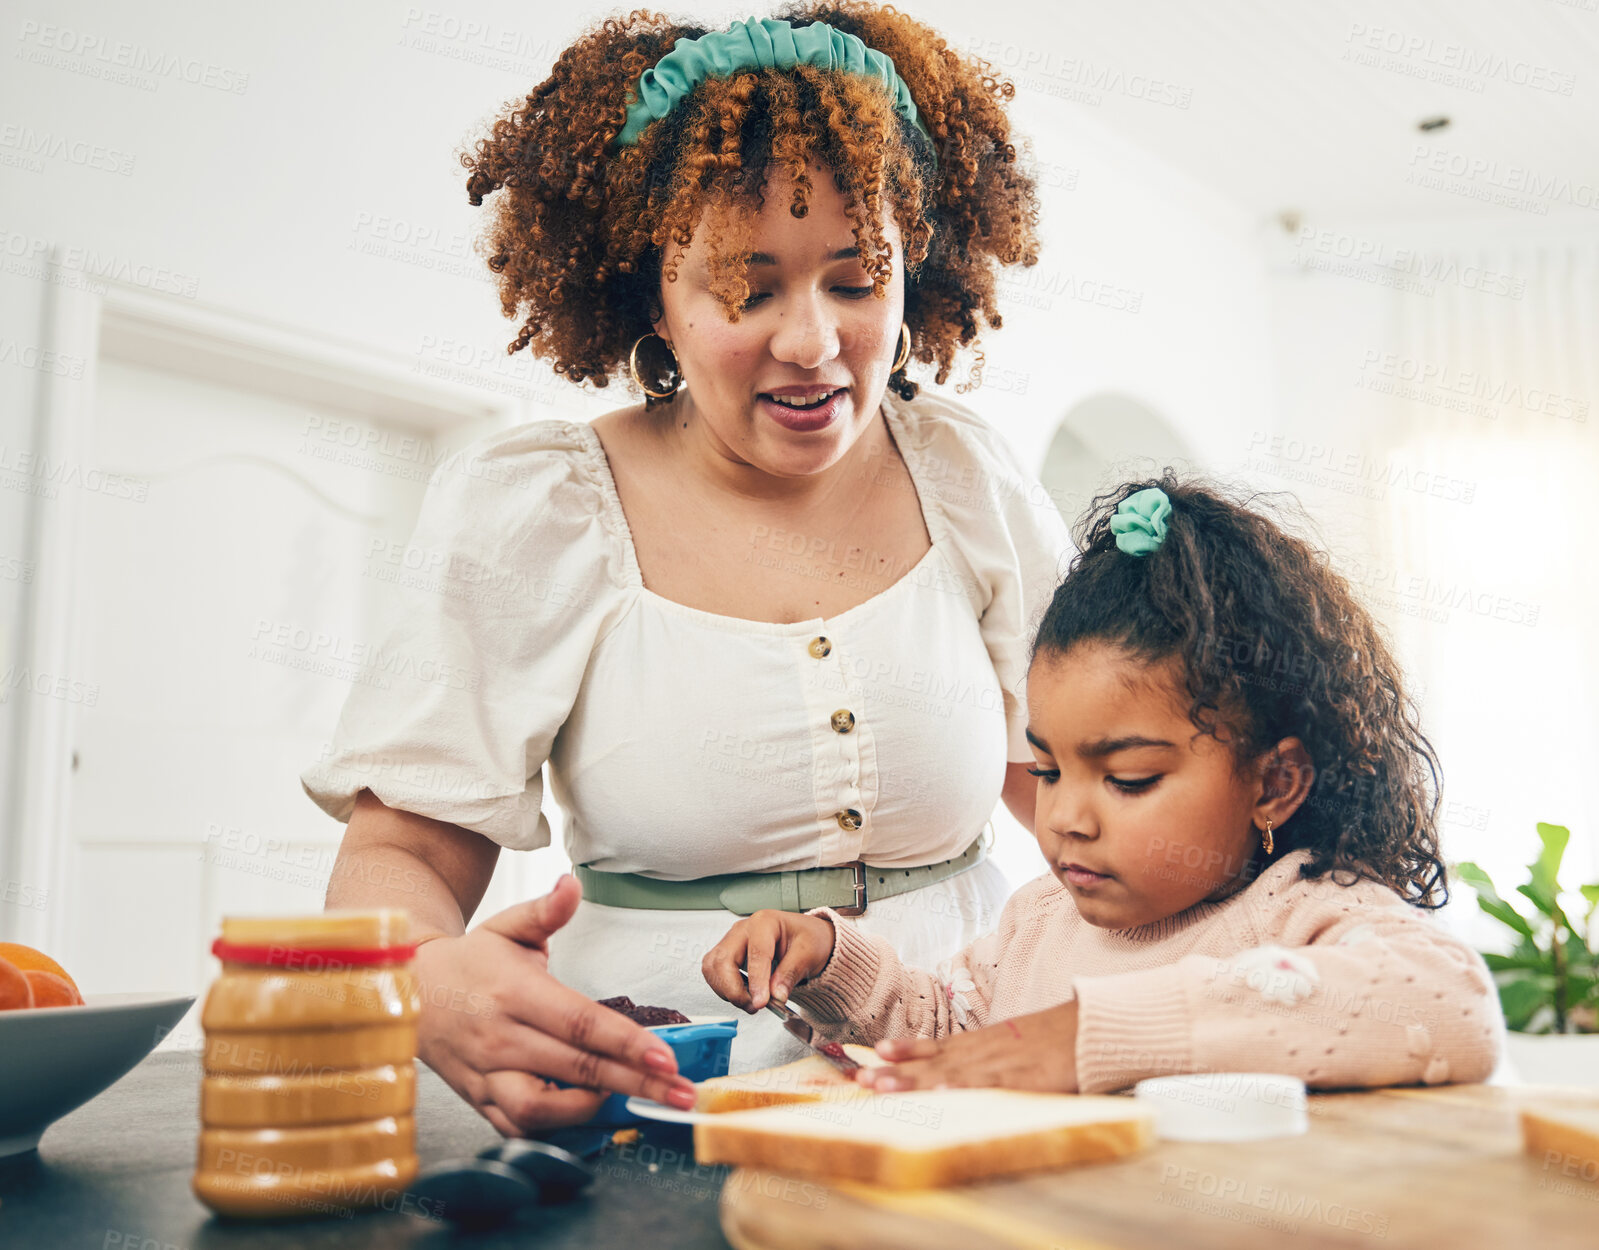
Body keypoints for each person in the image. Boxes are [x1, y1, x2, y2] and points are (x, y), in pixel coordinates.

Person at [300, 4, 1071, 1136]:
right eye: (746, 288)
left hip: (961, 1086)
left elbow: (1088, 792)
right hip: (650, 1103)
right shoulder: (541, 510)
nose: (811, 340)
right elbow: (405, 845)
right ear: (651, 294)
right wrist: (426, 977)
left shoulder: (967, 475)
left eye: (857, 280)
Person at [703, 476, 1503, 1092]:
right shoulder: (1039, 924)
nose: (1064, 819)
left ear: (1274, 783)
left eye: (1127, 779)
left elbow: (1445, 1003)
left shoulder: (1304, 911)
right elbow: (948, 1030)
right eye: (1046, 769)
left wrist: (1092, 1034)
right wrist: (828, 961)